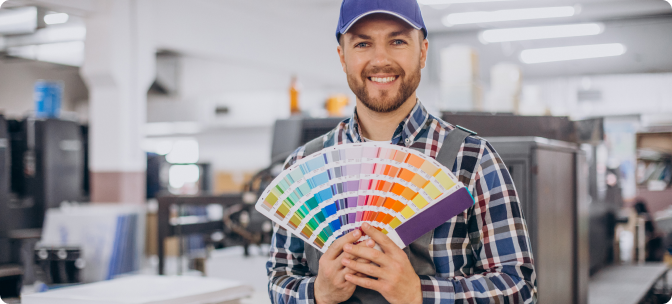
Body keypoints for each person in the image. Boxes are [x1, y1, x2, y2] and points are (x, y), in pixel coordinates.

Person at [266, 0, 537, 303]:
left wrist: (420, 294)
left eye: (397, 41)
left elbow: (519, 289)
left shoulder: (473, 160)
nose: (380, 59)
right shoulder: (304, 165)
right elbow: (280, 278)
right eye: (363, 44)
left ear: (422, 52)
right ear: (342, 57)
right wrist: (317, 293)